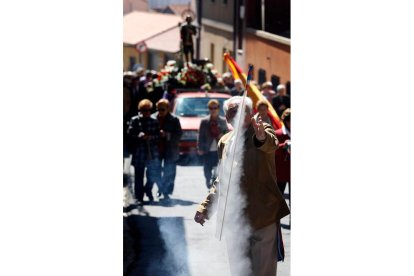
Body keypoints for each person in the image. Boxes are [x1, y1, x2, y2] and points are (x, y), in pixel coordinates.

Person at [194, 96, 290, 276]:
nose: (236, 115)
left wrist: (261, 136)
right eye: (231, 112)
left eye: (240, 111)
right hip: (235, 220)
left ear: (250, 114)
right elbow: (222, 180)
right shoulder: (224, 141)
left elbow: (270, 143)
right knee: (239, 272)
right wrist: (205, 208)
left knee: (262, 272)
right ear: (226, 117)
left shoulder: (261, 130)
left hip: (263, 217)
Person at [127, 99, 161, 205]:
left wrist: (150, 137)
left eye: (148, 110)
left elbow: (158, 136)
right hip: (139, 152)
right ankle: (139, 197)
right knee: (138, 176)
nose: (146, 112)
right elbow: (130, 133)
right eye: (144, 110)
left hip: (152, 153)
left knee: (152, 175)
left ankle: (148, 190)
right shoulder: (135, 120)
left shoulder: (154, 121)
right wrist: (139, 135)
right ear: (140, 110)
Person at [151, 99, 183, 199]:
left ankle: (166, 192)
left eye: (162, 109)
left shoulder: (174, 119)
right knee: (156, 170)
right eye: (158, 109)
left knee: (169, 172)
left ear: (168, 109)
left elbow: (179, 134)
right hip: (156, 148)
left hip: (170, 149)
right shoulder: (152, 117)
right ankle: (160, 189)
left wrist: (167, 134)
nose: (160, 111)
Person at [197, 99, 229, 189]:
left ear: (218, 109)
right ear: (209, 109)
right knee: (207, 169)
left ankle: (214, 183)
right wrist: (199, 147)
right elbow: (200, 135)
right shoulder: (204, 121)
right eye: (211, 108)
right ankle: (208, 180)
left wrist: (222, 135)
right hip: (207, 149)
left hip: (218, 149)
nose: (213, 110)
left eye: (215, 107)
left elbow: (227, 134)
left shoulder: (222, 121)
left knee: (217, 168)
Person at [275, 108, 291, 201]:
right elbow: (272, 150)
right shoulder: (278, 133)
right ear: (285, 121)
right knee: (279, 200)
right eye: (290, 121)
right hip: (281, 171)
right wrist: (284, 145)